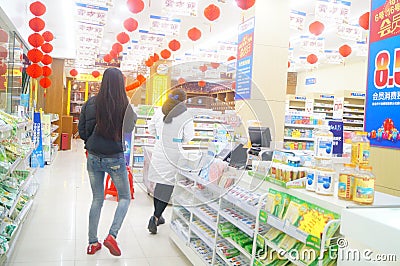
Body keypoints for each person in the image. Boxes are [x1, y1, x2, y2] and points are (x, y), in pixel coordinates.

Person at [78, 68, 137, 256]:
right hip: (115, 157)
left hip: (94, 156)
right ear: (121, 84)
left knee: (97, 199)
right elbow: (129, 128)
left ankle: (92, 243)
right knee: (125, 197)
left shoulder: (92, 102)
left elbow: (82, 130)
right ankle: (112, 235)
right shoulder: (124, 105)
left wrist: (90, 144)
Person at [147, 88, 194, 234]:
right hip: (173, 152)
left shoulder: (159, 111)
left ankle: (158, 216)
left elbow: (151, 128)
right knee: (168, 186)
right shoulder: (185, 114)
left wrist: (160, 138)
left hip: (159, 150)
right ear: (183, 100)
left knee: (160, 184)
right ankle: (155, 217)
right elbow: (189, 136)